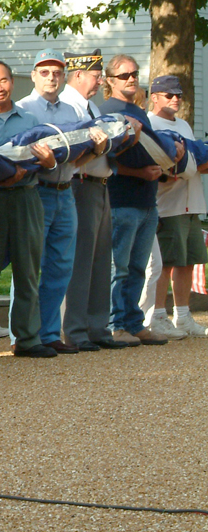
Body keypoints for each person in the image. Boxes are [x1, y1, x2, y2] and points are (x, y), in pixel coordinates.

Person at [0, 60, 59, 358]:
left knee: (27, 268)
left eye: (4, 80)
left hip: (26, 197)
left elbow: (47, 158)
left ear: (12, 82)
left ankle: (27, 337)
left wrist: (49, 163)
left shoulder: (31, 121)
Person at [15, 49, 89, 353]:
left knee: (60, 266)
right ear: (33, 75)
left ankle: (48, 333)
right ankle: (23, 335)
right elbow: (19, 154)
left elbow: (82, 150)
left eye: (57, 72)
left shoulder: (73, 111)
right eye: (44, 72)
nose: (51, 77)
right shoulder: (23, 109)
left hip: (66, 190)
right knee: (29, 267)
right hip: (37, 191)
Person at [95, 54, 170, 347]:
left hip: (147, 201)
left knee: (139, 267)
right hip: (120, 199)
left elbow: (154, 152)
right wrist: (141, 171)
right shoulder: (106, 112)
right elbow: (106, 161)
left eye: (134, 74)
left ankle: (134, 322)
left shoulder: (138, 112)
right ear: (109, 80)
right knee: (119, 267)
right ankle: (115, 325)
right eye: (124, 75)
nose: (131, 79)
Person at [58, 50, 120, 350]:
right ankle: (75, 330)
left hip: (101, 184)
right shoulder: (69, 107)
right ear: (79, 74)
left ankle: (97, 327)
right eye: (95, 76)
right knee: (81, 260)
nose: (99, 82)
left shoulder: (90, 106)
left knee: (99, 260)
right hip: (80, 184)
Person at [144, 75, 208, 338]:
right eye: (169, 95)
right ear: (154, 97)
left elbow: (189, 160)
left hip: (191, 202)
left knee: (188, 261)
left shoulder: (182, 124)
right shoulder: (148, 123)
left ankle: (183, 315)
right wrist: (189, 165)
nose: (175, 99)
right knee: (166, 262)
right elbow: (167, 165)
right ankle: (158, 315)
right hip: (167, 203)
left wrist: (189, 165)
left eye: (178, 95)